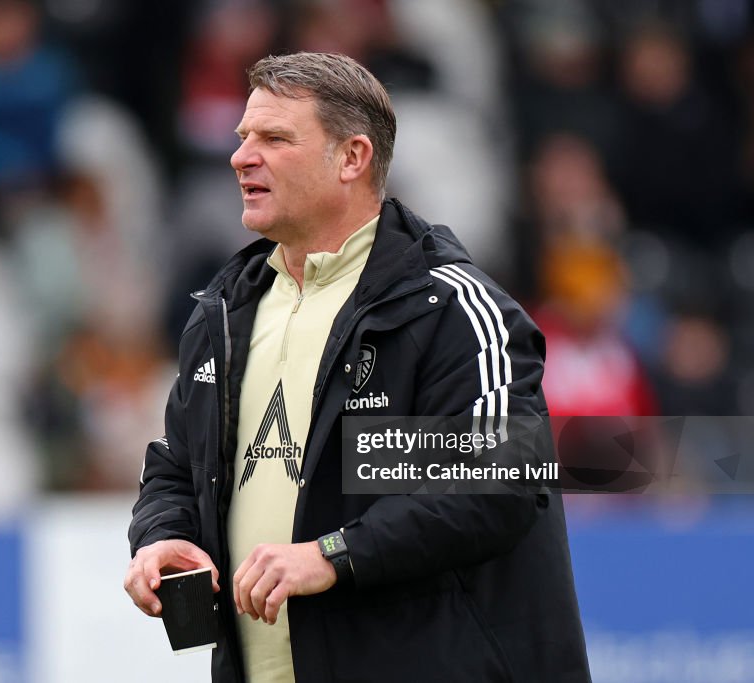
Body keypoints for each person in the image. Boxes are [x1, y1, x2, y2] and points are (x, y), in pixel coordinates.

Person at [125, 52, 591, 682]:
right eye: (243, 138)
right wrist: (161, 535)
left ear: (352, 158)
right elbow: (178, 467)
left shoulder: (453, 308)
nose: (241, 157)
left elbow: (497, 483)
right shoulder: (224, 312)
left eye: (274, 138)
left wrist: (332, 555)